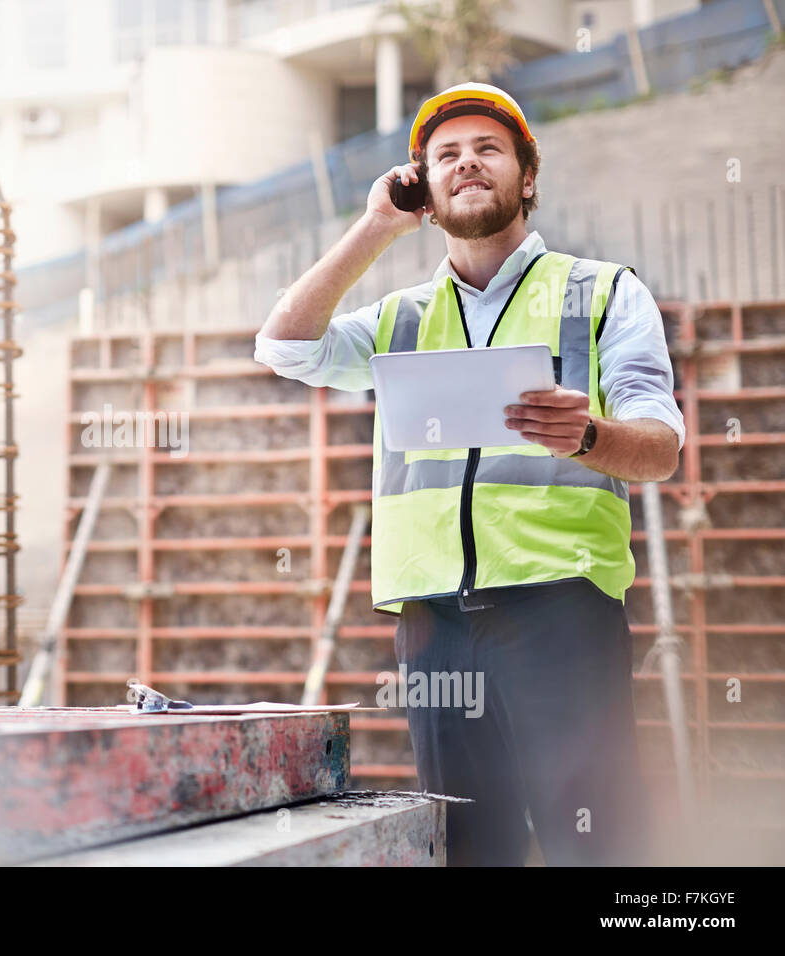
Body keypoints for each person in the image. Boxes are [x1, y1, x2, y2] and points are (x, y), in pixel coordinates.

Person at [254, 83, 683, 866]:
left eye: (488, 148)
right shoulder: (402, 317)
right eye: (445, 155)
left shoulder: (603, 293)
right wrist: (378, 225)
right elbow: (283, 347)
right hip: (434, 627)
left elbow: (660, 446)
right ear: (425, 185)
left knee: (596, 844)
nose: (466, 163)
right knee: (465, 849)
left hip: (562, 613)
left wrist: (587, 435)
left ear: (527, 175)